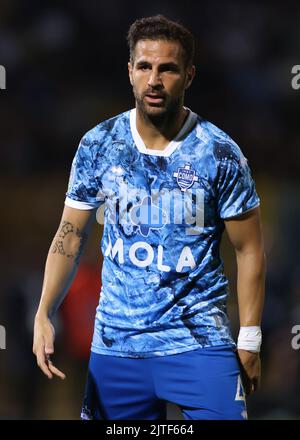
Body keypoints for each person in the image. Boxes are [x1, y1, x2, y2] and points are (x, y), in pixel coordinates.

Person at [33, 15, 266, 420]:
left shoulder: (220, 154)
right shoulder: (99, 145)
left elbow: (249, 250)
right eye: (144, 67)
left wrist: (250, 339)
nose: (154, 80)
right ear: (130, 72)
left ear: (189, 75)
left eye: (167, 69)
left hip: (200, 344)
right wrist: (44, 311)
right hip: (117, 346)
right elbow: (70, 237)